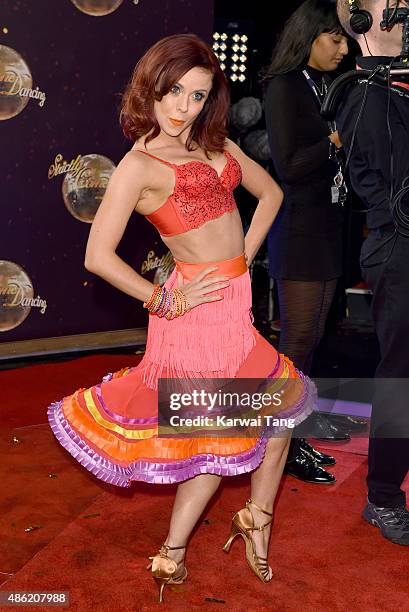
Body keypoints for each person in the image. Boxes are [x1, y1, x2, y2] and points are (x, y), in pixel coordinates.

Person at [47, 34, 317, 602]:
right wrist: (165, 299)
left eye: (196, 95)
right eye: (173, 92)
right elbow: (97, 256)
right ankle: (172, 553)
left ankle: (255, 519)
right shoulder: (138, 165)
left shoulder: (213, 143)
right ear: (150, 89)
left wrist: (243, 258)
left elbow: (270, 195)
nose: (183, 108)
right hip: (192, 320)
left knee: (279, 411)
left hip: (233, 306)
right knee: (222, 437)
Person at [263, 0, 350, 485]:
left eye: (344, 39)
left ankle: (296, 433)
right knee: (296, 341)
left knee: (313, 339)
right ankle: (282, 445)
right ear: (310, 36)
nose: (343, 48)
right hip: (297, 231)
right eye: (334, 38)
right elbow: (289, 166)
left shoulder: (330, 86)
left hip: (328, 229)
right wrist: (335, 142)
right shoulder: (284, 87)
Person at [335, 0, 409, 545]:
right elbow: (383, 191)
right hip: (398, 249)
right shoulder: (364, 94)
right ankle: (383, 496)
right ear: (362, 21)